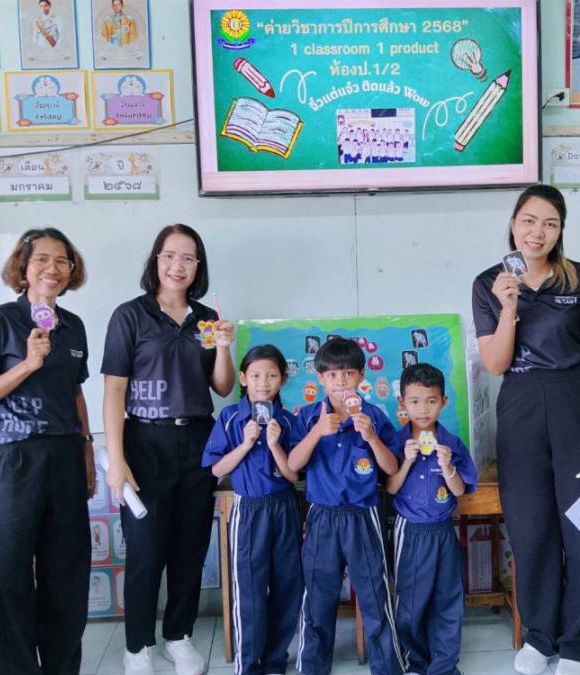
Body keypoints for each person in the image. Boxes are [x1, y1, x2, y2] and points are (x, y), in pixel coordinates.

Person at [471, 185, 580, 675]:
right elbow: (496, 364)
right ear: (514, 223)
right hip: (520, 406)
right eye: (529, 221)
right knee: (531, 528)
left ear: (560, 230)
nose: (538, 232)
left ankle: (579, 643)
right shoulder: (489, 283)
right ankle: (540, 637)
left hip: (577, 404)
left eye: (550, 223)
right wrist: (508, 307)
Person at [102, 224, 235, 675]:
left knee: (189, 548)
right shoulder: (130, 316)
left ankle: (178, 636)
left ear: (199, 266)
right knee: (145, 551)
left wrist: (224, 347)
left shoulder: (206, 320)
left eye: (188, 258)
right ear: (156, 260)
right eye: (169, 255)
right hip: (144, 442)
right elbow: (114, 390)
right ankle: (137, 645)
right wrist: (116, 460)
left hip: (198, 442)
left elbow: (222, 387)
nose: (178, 266)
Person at [0, 227, 94, 675]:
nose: (52, 269)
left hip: (64, 457)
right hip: (12, 459)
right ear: (23, 267)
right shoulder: (0, 320)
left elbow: (75, 393)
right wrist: (27, 364)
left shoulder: (74, 326)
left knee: (67, 576)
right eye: (42, 259)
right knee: (11, 578)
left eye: (62, 261)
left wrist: (87, 452)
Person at [288, 337, 405, 675]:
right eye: (333, 375)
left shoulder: (374, 416)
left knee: (375, 595)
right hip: (322, 516)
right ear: (320, 379)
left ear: (361, 375)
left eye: (348, 373)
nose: (341, 382)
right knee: (317, 596)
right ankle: (312, 666)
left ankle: (388, 667)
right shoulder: (309, 416)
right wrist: (317, 433)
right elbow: (293, 465)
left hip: (363, 514)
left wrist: (371, 437)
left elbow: (392, 467)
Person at [202, 344, 303, 675]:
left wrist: (274, 444)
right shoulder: (230, 418)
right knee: (249, 588)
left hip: (284, 507)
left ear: (283, 380)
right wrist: (246, 444)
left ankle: (275, 660)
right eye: (256, 375)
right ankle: (248, 664)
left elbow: (294, 475)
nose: (263, 383)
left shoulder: (288, 421)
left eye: (271, 376)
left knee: (288, 585)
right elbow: (216, 470)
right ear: (243, 378)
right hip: (248, 510)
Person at [386, 363, 477, 675]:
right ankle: (416, 662)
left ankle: (444, 665)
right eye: (414, 401)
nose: (423, 409)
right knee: (411, 601)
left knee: (448, 599)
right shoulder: (396, 441)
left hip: (442, 530)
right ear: (402, 402)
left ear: (443, 402)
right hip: (410, 531)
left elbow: (460, 490)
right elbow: (390, 487)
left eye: (431, 401)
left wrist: (448, 467)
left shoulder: (451, 443)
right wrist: (406, 461)